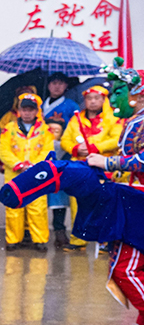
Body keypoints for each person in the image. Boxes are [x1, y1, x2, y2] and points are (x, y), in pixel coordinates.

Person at [85, 67, 144, 325]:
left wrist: (107, 161)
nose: (112, 99)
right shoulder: (135, 121)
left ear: (137, 94)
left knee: (125, 268)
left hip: (139, 204)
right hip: (132, 198)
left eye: (118, 92)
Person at [61, 85, 121, 250]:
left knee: (104, 204)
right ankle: (78, 240)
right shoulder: (76, 119)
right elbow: (65, 140)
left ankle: (105, 242)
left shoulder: (113, 118)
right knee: (77, 203)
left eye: (97, 98)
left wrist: (95, 148)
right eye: (89, 98)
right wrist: (75, 149)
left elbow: (116, 139)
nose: (93, 101)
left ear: (104, 100)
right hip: (80, 167)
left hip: (104, 167)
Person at [0, 94, 51, 251]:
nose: (27, 113)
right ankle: (13, 240)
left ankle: (40, 240)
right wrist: (17, 164)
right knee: (14, 207)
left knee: (38, 207)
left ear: (36, 111)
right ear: (19, 110)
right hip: (15, 175)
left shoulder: (45, 130)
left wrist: (35, 165)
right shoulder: (9, 128)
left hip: (37, 175)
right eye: (24, 109)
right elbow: (3, 150)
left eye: (31, 109)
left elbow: (48, 150)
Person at [45, 113, 73, 250]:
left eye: (57, 131)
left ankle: (59, 233)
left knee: (59, 208)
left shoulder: (64, 146)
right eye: (50, 130)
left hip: (57, 180)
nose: (53, 134)